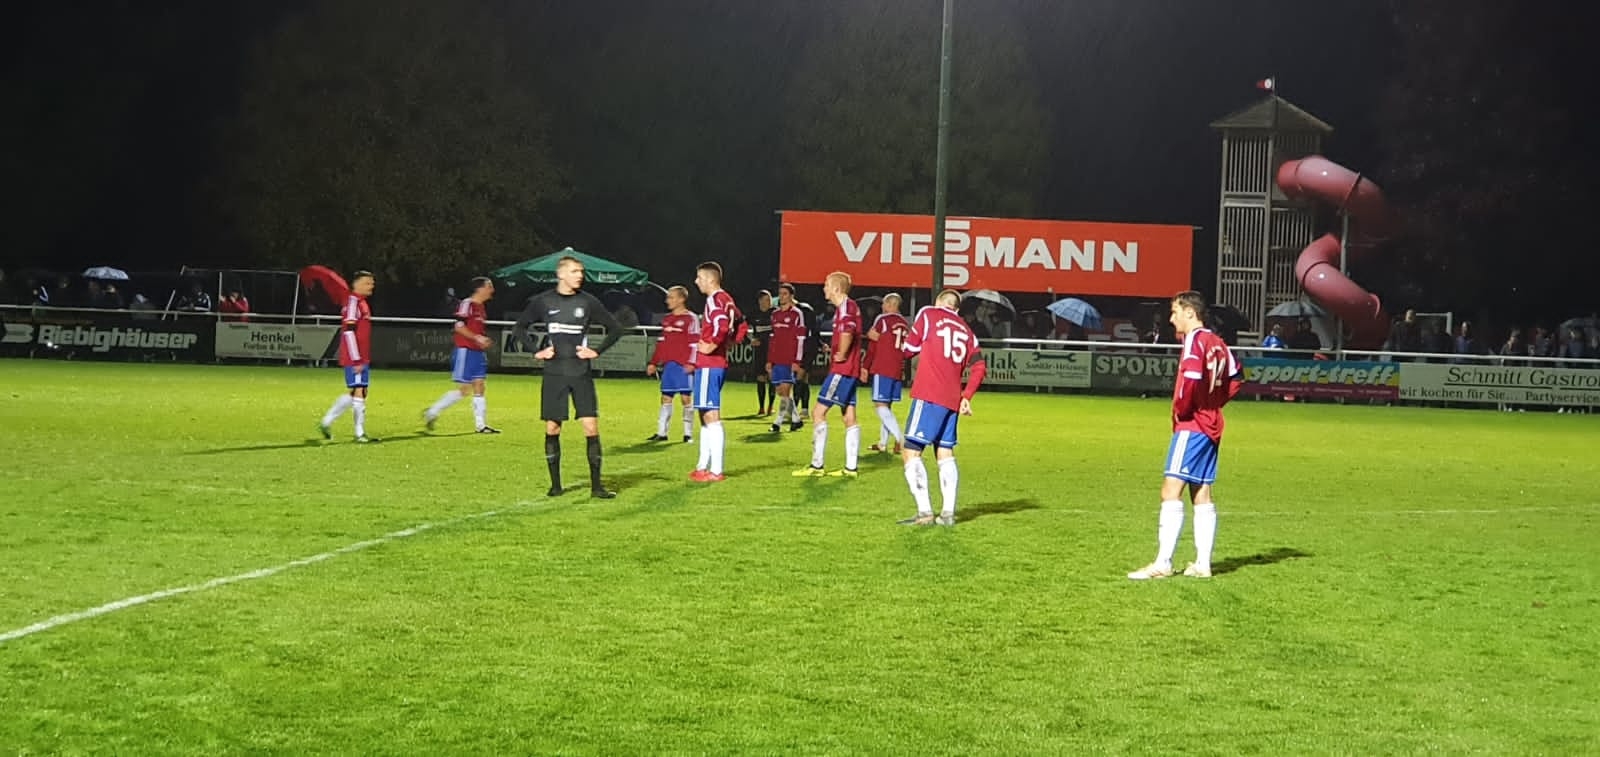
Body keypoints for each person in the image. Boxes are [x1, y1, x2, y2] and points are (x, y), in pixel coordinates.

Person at [1128, 291, 1242, 580]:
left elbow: (1190, 379)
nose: (1171, 318)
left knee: (1170, 490)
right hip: (1212, 424)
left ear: (1190, 312)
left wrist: (1183, 409)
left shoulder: (1195, 340)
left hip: (1192, 425)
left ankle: (1163, 563)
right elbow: (1236, 377)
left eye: (1175, 312)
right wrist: (1214, 404)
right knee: (1201, 491)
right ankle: (1203, 564)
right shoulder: (1218, 342)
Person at [512, 256, 624, 499]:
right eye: (574, 271)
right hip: (554, 373)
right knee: (552, 427)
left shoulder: (588, 301)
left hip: (580, 372)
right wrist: (536, 351)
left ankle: (597, 487)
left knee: (590, 427)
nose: (580, 276)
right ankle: (555, 486)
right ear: (560, 274)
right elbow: (519, 328)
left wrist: (596, 351)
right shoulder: (544, 301)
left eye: (581, 272)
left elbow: (615, 328)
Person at [895, 289, 987, 526]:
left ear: (938, 302)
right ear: (956, 308)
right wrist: (967, 395)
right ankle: (947, 514)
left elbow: (908, 349)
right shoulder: (967, 331)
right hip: (952, 399)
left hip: (929, 394)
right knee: (945, 453)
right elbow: (979, 367)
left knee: (911, 451)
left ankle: (924, 512)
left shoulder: (928, 314)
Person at [793, 271, 865, 478]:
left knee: (818, 412)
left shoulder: (847, 307)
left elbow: (848, 331)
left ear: (836, 288)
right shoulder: (846, 307)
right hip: (849, 370)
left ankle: (817, 465)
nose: (824, 288)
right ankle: (851, 468)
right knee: (849, 416)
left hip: (842, 370)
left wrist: (841, 353)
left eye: (826, 285)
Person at [423, 277, 499, 433]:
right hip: (466, 350)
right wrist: (477, 338)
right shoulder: (467, 304)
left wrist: (482, 339)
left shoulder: (481, 307)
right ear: (479, 288)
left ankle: (481, 426)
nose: (492, 290)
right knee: (464, 389)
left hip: (477, 352)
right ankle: (432, 411)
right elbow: (458, 325)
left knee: (479, 386)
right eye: (489, 286)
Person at [690, 261, 741, 482]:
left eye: (700, 277)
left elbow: (722, 324)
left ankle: (716, 470)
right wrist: (730, 343)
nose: (696, 281)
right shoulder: (727, 299)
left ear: (711, 279)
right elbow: (741, 323)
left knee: (711, 415)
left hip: (710, 363)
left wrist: (712, 345)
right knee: (704, 413)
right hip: (715, 363)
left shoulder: (714, 299)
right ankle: (702, 466)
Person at [317, 271, 379, 443]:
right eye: (367, 283)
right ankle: (359, 434)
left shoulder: (361, 302)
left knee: (357, 391)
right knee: (359, 391)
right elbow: (349, 332)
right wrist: (356, 359)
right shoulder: (353, 303)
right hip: (355, 357)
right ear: (356, 284)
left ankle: (327, 421)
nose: (371, 286)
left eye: (372, 283)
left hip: (361, 356)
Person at [645, 285, 698, 443]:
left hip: (683, 365)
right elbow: (661, 344)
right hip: (669, 366)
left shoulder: (691, 318)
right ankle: (662, 433)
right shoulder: (667, 319)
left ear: (681, 299)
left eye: (671, 297)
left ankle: (688, 434)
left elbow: (695, 343)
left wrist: (692, 363)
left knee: (685, 398)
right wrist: (653, 363)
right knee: (665, 397)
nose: (667, 300)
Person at [863, 292, 911, 453]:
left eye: (884, 304)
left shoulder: (882, 319)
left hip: (882, 366)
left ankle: (900, 439)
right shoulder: (905, 323)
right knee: (887, 405)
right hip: (897, 368)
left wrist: (865, 365)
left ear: (891, 304)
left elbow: (872, 342)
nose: (882, 307)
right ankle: (883, 443)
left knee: (880, 405)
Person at [766, 283, 807, 433]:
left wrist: (797, 361)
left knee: (785, 392)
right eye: (780, 293)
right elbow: (773, 339)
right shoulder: (775, 315)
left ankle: (777, 423)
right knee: (781, 392)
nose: (782, 296)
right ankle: (796, 420)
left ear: (791, 296)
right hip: (777, 359)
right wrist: (769, 360)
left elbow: (800, 339)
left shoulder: (797, 314)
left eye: (785, 294)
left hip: (789, 359)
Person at [747, 290, 774, 416]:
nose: (768, 302)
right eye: (765, 300)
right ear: (760, 301)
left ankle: (770, 406)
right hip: (760, 350)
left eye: (769, 299)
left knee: (772, 377)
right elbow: (743, 328)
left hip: (773, 351)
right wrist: (751, 339)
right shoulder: (753, 315)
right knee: (760, 377)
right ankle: (761, 407)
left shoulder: (775, 313)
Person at [794, 299, 819, 418]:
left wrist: (819, 344)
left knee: (799, 377)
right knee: (804, 379)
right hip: (802, 349)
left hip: (807, 349)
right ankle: (804, 410)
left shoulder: (805, 312)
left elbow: (813, 333)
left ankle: (793, 410)